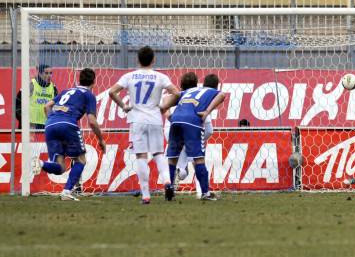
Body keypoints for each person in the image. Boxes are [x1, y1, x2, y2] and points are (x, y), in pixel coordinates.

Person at [108, 46, 179, 204]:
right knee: (158, 154)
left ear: (138, 60)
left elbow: (112, 92)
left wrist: (124, 106)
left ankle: (146, 195)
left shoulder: (129, 76)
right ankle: (167, 182)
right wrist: (164, 107)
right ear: (153, 60)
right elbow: (177, 93)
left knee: (141, 156)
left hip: (137, 120)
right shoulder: (160, 77)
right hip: (154, 119)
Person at [32, 68, 106, 201]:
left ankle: (40, 163)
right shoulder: (89, 95)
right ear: (94, 82)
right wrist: (101, 140)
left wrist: (53, 121)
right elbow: (92, 121)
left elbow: (47, 106)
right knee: (80, 160)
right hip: (68, 124)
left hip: (50, 125)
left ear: (79, 80)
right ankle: (66, 192)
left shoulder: (66, 91)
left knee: (60, 167)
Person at [161, 73, 226, 201]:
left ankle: (170, 191)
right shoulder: (209, 90)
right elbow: (222, 95)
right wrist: (207, 112)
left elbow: (165, 101)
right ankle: (205, 193)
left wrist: (167, 115)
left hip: (175, 121)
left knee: (172, 159)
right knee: (199, 159)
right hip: (192, 122)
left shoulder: (185, 92)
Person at [16, 64, 58, 130]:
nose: (49, 76)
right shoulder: (31, 84)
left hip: (46, 124)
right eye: (46, 73)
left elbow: (56, 106)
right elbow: (18, 103)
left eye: (50, 73)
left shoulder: (53, 87)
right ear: (40, 74)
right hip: (30, 125)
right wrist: (23, 120)